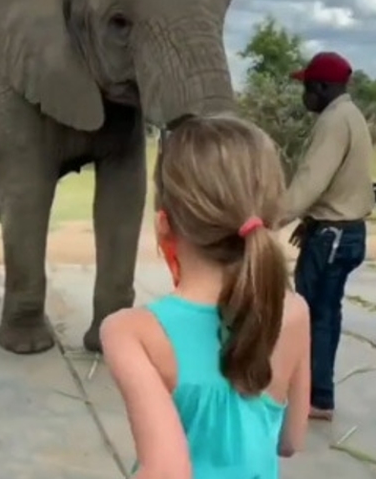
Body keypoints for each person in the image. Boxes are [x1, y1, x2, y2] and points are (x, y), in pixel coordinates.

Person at [100, 115, 311, 479]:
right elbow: (291, 440)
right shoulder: (294, 311)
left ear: (164, 225)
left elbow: (167, 470)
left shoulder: (131, 332)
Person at [278, 51, 375, 421]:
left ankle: (316, 396)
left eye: (306, 87)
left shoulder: (333, 122)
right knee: (325, 313)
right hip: (344, 231)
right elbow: (339, 185)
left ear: (320, 87)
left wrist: (268, 219)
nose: (304, 95)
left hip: (332, 237)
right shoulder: (351, 116)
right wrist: (308, 222)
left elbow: (309, 182)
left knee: (314, 315)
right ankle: (316, 392)